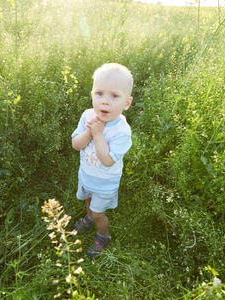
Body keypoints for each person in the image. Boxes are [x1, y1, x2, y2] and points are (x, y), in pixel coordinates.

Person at [71, 63, 133, 258]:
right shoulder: (88, 116)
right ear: (92, 95)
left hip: (105, 183)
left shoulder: (121, 131)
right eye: (99, 93)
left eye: (114, 96)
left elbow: (107, 161)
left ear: (126, 103)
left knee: (99, 213)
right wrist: (90, 130)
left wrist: (97, 134)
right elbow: (76, 144)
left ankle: (103, 235)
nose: (105, 102)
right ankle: (89, 216)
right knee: (89, 201)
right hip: (87, 175)